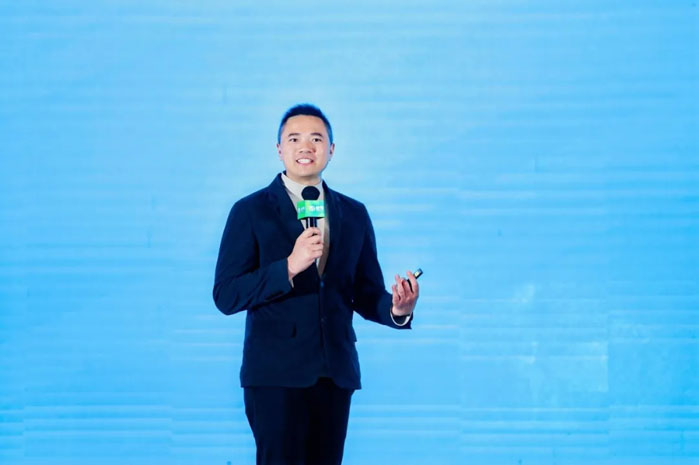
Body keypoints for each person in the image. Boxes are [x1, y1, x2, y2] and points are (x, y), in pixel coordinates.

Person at [213, 103, 420, 465]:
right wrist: (289, 267)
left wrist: (396, 309)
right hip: (275, 376)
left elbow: (364, 291)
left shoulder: (353, 213)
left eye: (316, 139)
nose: (305, 147)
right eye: (294, 139)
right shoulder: (250, 211)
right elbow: (227, 294)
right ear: (279, 149)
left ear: (332, 149)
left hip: (334, 374)